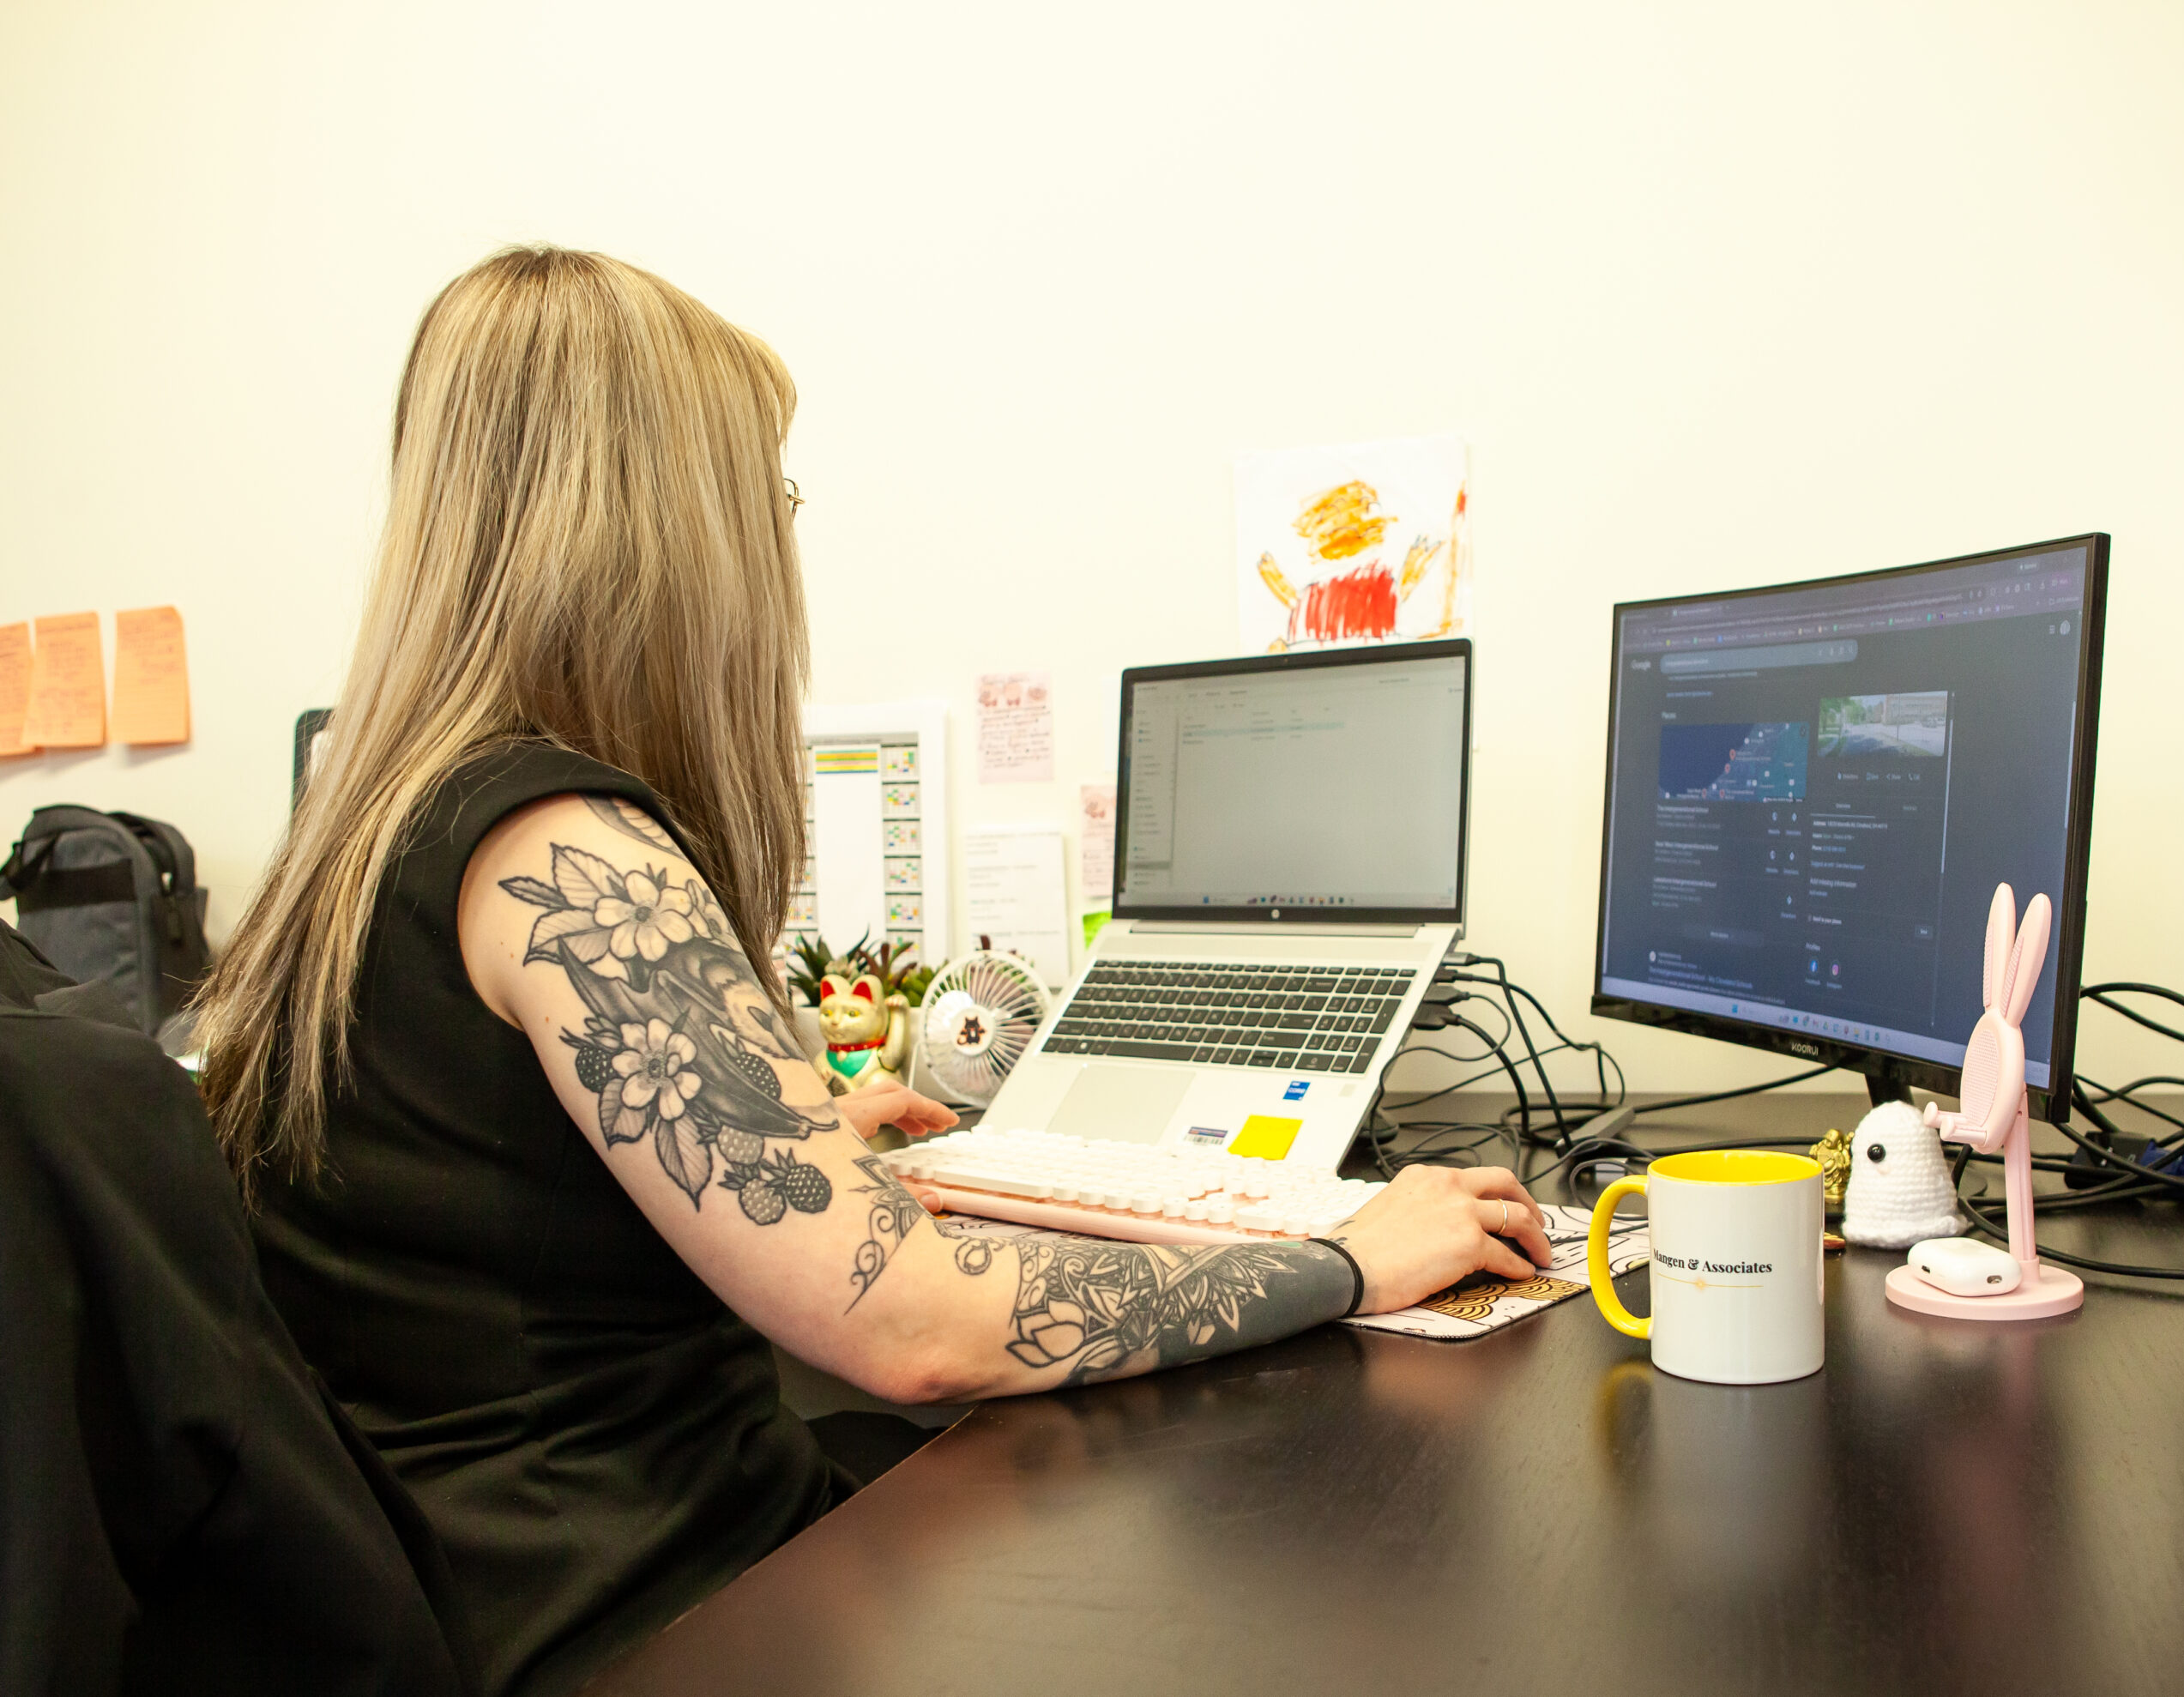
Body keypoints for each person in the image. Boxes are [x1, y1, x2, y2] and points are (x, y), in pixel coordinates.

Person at [193, 245, 1550, 1697]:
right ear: (676, 525)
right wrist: (1346, 1257)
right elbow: (908, 1322)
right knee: (1267, 1594)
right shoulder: (567, 854)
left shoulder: (369, 836)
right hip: (647, 1614)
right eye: (769, 493)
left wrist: (787, 1138)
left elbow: (462, 1204)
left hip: (474, 1584)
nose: (780, 537)